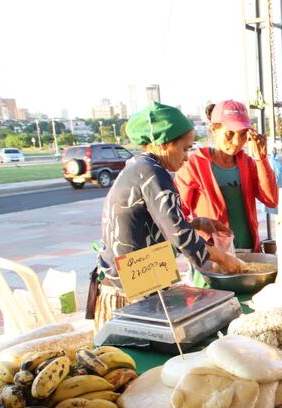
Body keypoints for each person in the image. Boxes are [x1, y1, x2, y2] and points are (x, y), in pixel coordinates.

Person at [94, 102, 240, 329]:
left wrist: (197, 223)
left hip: (141, 283)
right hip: (130, 294)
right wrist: (222, 258)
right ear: (164, 145)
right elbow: (178, 234)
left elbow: (157, 224)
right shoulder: (152, 172)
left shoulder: (141, 166)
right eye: (184, 149)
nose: (187, 157)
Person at [175, 100, 278, 255]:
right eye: (229, 133)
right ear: (214, 130)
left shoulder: (249, 163)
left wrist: (261, 159)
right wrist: (198, 230)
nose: (237, 142)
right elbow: (177, 215)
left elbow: (271, 200)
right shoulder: (194, 165)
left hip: (250, 252)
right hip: (212, 256)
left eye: (243, 134)